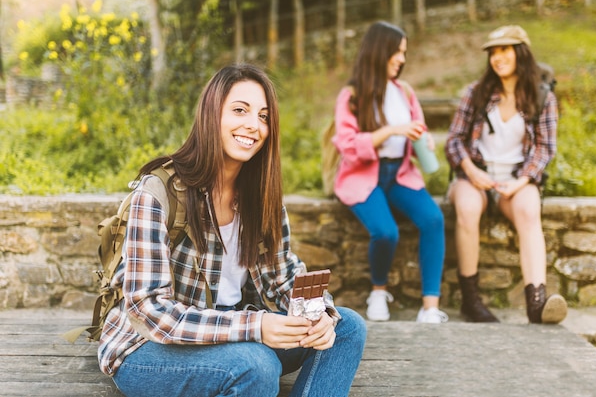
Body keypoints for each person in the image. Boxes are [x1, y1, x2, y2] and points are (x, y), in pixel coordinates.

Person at [97, 63, 367, 397]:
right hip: (147, 348)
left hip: (234, 332)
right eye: (240, 110)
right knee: (256, 364)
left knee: (347, 327)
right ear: (212, 114)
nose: (253, 125)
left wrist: (320, 315)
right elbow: (148, 310)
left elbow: (282, 279)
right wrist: (257, 327)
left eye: (264, 116)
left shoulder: (261, 198)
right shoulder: (157, 194)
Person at [445, 25, 568, 324]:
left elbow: (545, 148)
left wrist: (521, 182)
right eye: (493, 52)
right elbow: (454, 141)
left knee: (529, 209)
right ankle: (471, 300)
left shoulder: (541, 97)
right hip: (475, 175)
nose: (497, 57)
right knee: (468, 207)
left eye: (504, 50)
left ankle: (536, 303)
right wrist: (472, 172)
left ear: (520, 53)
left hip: (516, 177)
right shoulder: (476, 93)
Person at [332, 21, 448, 324]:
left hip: (401, 174)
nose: (401, 59)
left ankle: (430, 307)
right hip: (362, 175)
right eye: (397, 52)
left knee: (433, 219)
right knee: (385, 232)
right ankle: (378, 291)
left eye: (404, 53)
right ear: (379, 50)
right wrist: (390, 131)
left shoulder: (405, 92)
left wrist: (425, 138)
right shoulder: (352, 96)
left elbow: (417, 127)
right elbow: (346, 145)